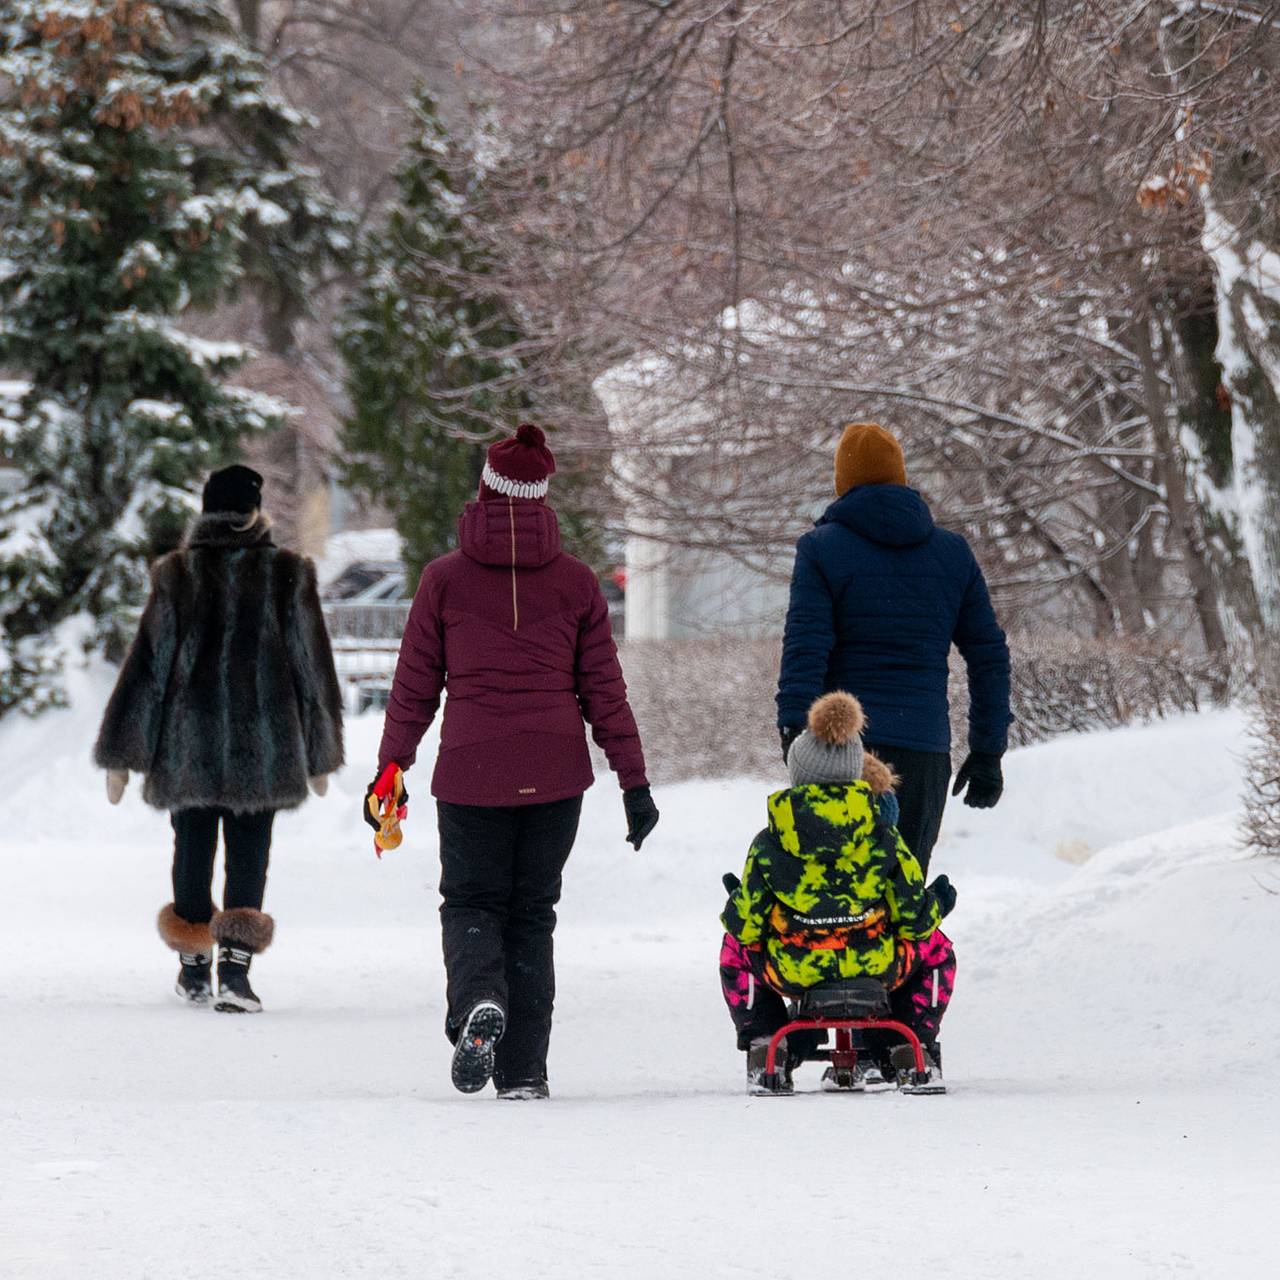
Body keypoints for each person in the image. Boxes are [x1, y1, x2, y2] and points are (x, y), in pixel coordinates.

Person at [367, 423, 658, 1100]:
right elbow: (604, 693)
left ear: (486, 490)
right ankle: (524, 1070)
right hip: (557, 774)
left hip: (472, 771)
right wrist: (634, 784)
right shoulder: (579, 584)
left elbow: (414, 685)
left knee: (472, 901)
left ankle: (477, 1001)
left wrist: (392, 768)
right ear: (542, 496)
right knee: (533, 913)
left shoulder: (442, 581)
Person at [94, 465, 344, 1013]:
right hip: (266, 744)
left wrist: (122, 753)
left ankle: (193, 969)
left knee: (192, 846)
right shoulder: (288, 573)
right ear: (255, 513)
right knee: (251, 851)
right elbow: (311, 667)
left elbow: (148, 666)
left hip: (189, 744)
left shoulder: (178, 574)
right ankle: (235, 970)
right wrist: (321, 751)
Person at [776, 422, 1012, 875]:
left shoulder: (821, 549)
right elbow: (988, 655)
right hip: (923, 750)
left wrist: (792, 731)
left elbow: (806, 646)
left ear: (842, 482)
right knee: (905, 900)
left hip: (841, 752)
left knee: (835, 902)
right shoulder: (952, 553)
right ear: (901, 477)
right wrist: (987, 750)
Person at [720, 692, 956, 1095]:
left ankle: (767, 1046)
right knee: (936, 949)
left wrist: (735, 901)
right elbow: (914, 919)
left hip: (794, 969)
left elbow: (746, 926)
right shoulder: (884, 838)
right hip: (878, 967)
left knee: (733, 948)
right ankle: (908, 1042)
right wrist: (938, 902)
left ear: (798, 775)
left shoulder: (770, 843)